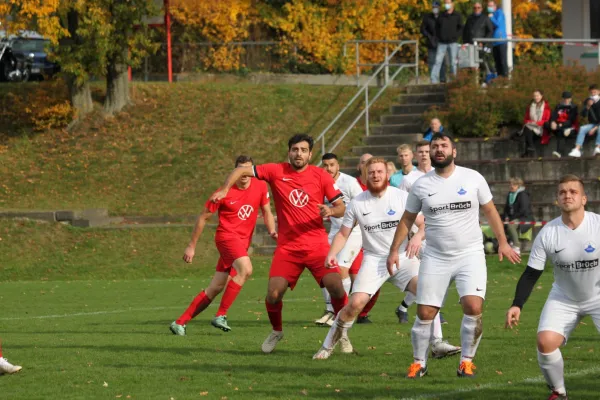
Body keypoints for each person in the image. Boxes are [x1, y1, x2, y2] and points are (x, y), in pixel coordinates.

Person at [387, 132, 520, 378]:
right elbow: (407, 219)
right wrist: (394, 250)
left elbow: (490, 211)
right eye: (435, 146)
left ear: (453, 151)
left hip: (470, 254)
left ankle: (466, 362)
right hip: (436, 257)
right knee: (425, 312)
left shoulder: (473, 178)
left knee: (472, 305)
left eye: (443, 146)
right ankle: (419, 363)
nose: (439, 149)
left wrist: (503, 242)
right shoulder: (422, 185)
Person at [210, 134, 349, 354]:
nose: (299, 154)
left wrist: (330, 210)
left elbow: (341, 206)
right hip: (288, 248)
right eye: (295, 149)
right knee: (273, 295)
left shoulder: (321, 175)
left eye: (304, 150)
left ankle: (342, 333)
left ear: (310, 154)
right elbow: (240, 170)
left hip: (317, 245)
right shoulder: (276, 171)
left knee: (337, 288)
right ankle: (276, 331)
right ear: (289, 152)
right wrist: (226, 188)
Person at [313, 157, 460, 360]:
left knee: (427, 291)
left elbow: (425, 223)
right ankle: (327, 345)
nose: (375, 175)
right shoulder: (357, 203)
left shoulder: (401, 197)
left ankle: (436, 343)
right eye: (371, 172)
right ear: (366, 175)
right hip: (374, 260)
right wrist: (331, 254)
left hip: (403, 257)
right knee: (355, 304)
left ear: (387, 174)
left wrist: (417, 236)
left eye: (379, 171)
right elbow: (343, 234)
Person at [505, 175, 600, 400]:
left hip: (597, 295)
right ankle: (559, 392)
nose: (567, 195)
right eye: (562, 192)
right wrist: (517, 304)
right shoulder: (548, 232)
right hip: (564, 297)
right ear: (557, 199)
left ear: (584, 198)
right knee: (545, 342)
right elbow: (531, 273)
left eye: (573, 191)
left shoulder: (597, 225)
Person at [170, 155, 276, 335]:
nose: (244, 173)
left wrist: (272, 230)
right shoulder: (223, 193)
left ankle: (180, 322)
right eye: (240, 169)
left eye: (247, 169)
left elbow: (266, 211)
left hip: (241, 244)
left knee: (216, 286)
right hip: (226, 238)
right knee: (246, 269)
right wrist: (191, 246)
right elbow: (203, 218)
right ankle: (221, 315)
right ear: (234, 171)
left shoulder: (260, 186)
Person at [315, 153, 364, 327]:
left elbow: (362, 204)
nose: (328, 168)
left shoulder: (350, 182)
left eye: (332, 165)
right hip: (336, 230)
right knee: (324, 268)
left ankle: (342, 312)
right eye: (325, 165)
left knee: (342, 269)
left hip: (354, 230)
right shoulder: (321, 181)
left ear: (338, 166)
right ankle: (330, 310)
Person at [431, 0, 463, 84]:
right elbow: (436, 28)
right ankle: (434, 80)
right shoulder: (441, 15)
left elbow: (461, 28)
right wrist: (439, 37)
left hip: (453, 43)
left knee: (453, 63)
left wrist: (455, 36)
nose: (446, 4)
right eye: (445, 3)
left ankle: (454, 80)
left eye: (448, 2)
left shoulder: (457, 15)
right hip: (442, 43)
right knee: (437, 61)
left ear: (452, 4)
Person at [463, 2, 495, 84]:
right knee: (470, 65)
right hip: (470, 46)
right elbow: (465, 32)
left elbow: (490, 31)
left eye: (478, 7)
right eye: (475, 8)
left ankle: (484, 81)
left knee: (482, 63)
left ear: (481, 9)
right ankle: (470, 83)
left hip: (480, 46)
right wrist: (465, 43)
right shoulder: (469, 18)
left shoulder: (485, 18)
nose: (476, 9)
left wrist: (483, 42)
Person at [501, 177, 534, 255]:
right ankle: (507, 243)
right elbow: (506, 208)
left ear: (519, 186)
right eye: (510, 184)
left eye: (514, 185)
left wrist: (511, 219)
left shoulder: (523, 194)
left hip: (525, 218)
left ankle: (516, 246)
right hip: (513, 218)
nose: (511, 186)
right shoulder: (510, 194)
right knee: (500, 222)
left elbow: (523, 210)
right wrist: (506, 217)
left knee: (511, 225)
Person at [568, 84, 600, 158]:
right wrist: (588, 107)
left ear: (598, 92)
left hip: (598, 124)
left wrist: (594, 129)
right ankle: (577, 149)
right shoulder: (588, 101)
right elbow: (583, 114)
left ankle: (598, 147)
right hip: (592, 123)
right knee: (582, 128)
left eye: (594, 92)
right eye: (591, 93)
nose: (593, 94)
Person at [520, 89, 551, 158]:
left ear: (541, 96)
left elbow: (546, 120)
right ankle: (531, 147)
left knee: (527, 131)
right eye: (535, 96)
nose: (536, 97)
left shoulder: (546, 106)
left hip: (541, 128)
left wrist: (536, 123)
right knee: (526, 127)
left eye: (538, 95)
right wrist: (530, 122)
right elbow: (526, 119)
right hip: (532, 126)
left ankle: (527, 151)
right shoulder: (530, 106)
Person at [546, 91, 579, 158]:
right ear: (562, 99)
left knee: (561, 132)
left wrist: (559, 125)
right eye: (565, 98)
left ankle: (559, 152)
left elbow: (571, 120)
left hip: (569, 126)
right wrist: (552, 122)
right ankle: (559, 153)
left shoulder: (573, 107)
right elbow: (554, 115)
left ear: (571, 99)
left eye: (568, 98)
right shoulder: (558, 106)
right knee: (547, 125)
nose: (566, 100)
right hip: (559, 126)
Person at [421, 1, 447, 83]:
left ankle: (442, 79)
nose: (435, 9)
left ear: (439, 8)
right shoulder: (427, 17)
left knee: (442, 62)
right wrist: (428, 36)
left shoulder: (443, 17)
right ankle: (433, 80)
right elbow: (422, 29)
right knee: (432, 61)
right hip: (431, 43)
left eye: (436, 7)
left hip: (442, 42)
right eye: (433, 7)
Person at [487, 1, 508, 77]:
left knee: (503, 62)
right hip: (494, 42)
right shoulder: (491, 15)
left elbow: (498, 24)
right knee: (497, 62)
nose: (489, 7)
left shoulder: (499, 13)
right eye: (488, 6)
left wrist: (491, 17)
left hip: (501, 41)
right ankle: (500, 79)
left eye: (491, 6)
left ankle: (505, 79)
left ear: (495, 6)